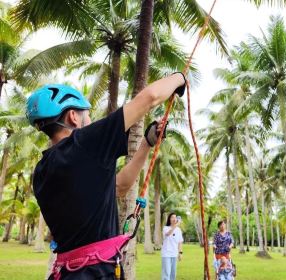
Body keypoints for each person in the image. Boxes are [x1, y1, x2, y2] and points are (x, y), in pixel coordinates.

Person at [26, 73, 186, 279]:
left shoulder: (41, 171)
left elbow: (118, 187)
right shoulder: (85, 142)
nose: (91, 120)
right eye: (87, 114)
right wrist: (180, 78)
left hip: (68, 273)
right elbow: (150, 97)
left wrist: (146, 144)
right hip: (97, 273)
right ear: (73, 116)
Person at [162, 213, 184, 280]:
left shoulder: (178, 230)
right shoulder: (165, 228)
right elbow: (168, 233)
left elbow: (180, 242)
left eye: (175, 217)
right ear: (169, 219)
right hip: (166, 254)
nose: (174, 219)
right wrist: (176, 225)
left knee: (173, 274)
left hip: (174, 254)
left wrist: (180, 253)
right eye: (172, 217)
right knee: (166, 274)